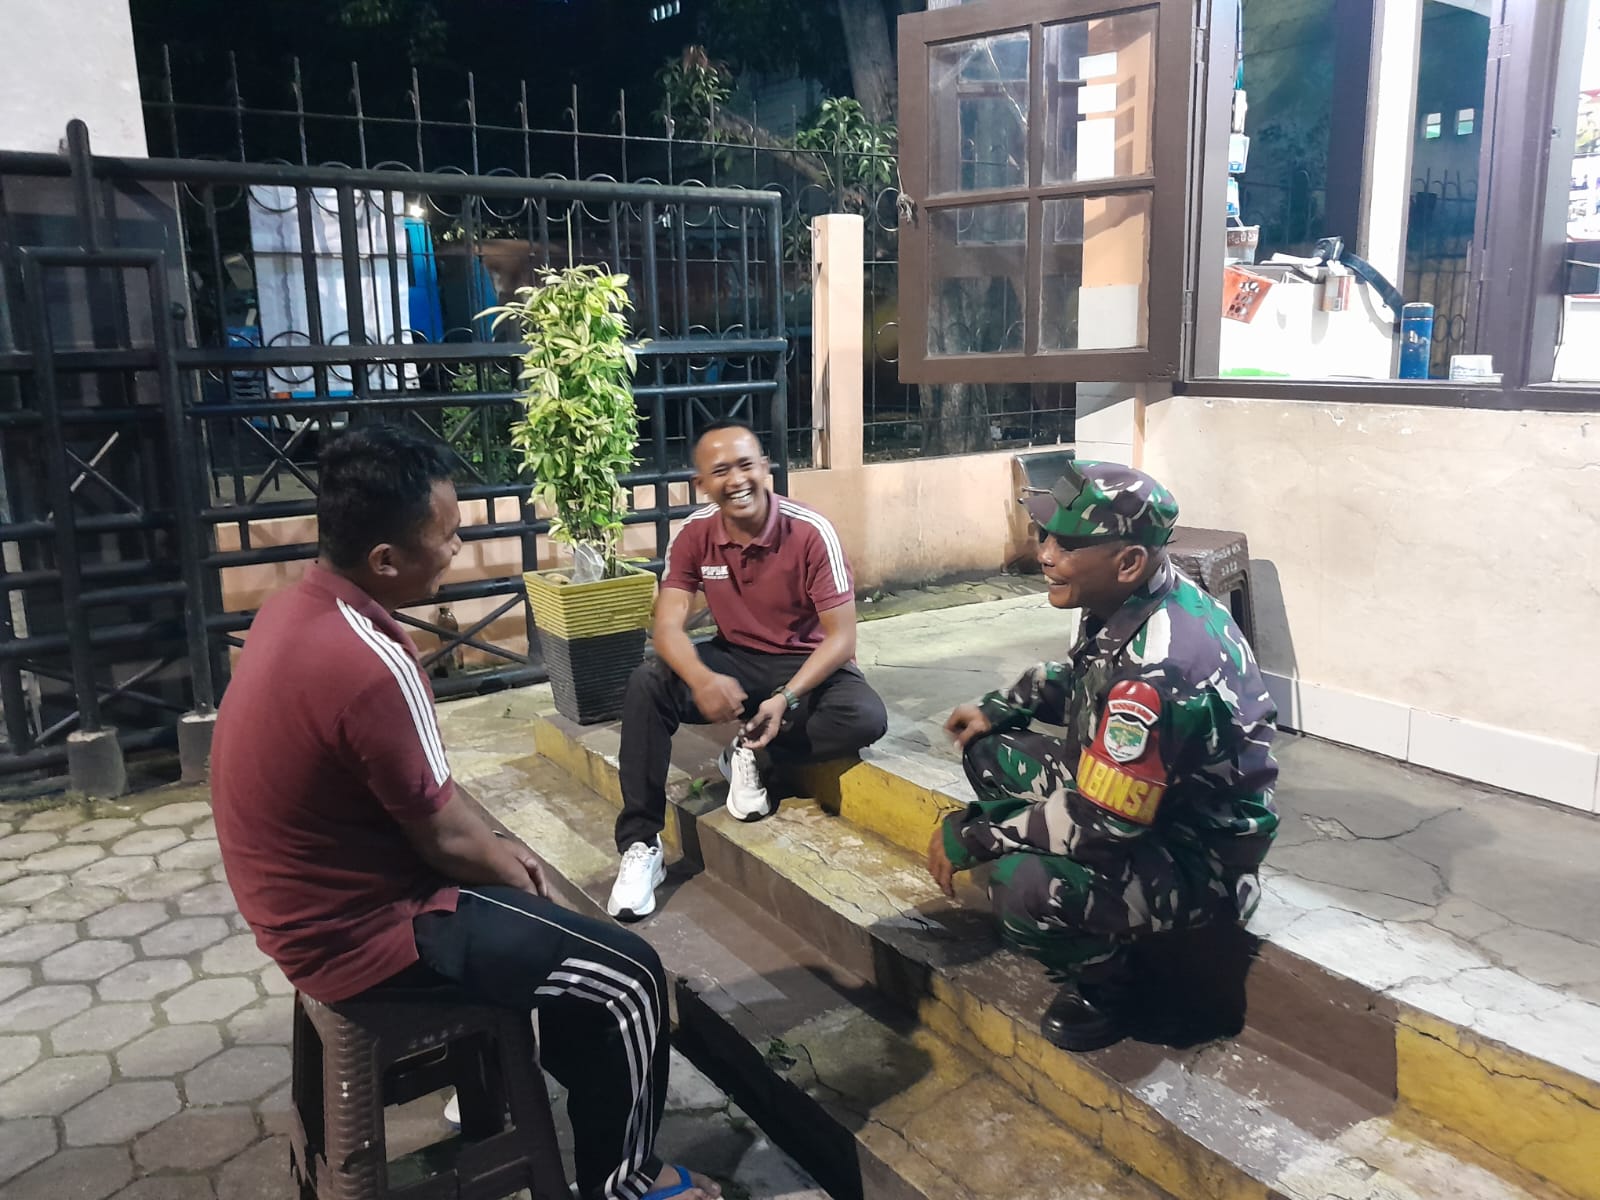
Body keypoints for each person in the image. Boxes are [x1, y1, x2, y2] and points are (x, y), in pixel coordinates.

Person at [211, 425, 720, 1200]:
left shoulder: (292, 609)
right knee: (630, 976)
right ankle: (624, 1183)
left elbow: (424, 808)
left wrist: (500, 864)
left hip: (305, 909)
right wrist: (514, 868)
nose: (459, 546)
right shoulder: (371, 660)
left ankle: (556, 1075)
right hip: (360, 933)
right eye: (446, 535)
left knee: (554, 929)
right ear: (386, 560)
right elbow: (447, 837)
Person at [927, 461, 1278, 1052]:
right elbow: (1087, 681)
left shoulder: (1162, 671)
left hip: (1195, 854)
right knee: (989, 753)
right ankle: (1098, 908)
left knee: (1023, 887)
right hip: (1144, 806)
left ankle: (1110, 984)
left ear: (1128, 560)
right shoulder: (1133, 598)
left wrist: (978, 834)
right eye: (1045, 536)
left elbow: (1105, 821)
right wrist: (1002, 704)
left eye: (1066, 546)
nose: (1044, 555)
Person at [608, 419, 889, 920]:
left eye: (745, 465)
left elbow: (841, 639)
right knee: (648, 682)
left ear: (766, 468)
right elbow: (667, 628)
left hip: (808, 663)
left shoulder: (810, 531)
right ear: (701, 484)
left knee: (864, 718)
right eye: (720, 471)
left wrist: (786, 698)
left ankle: (753, 752)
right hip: (736, 655)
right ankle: (641, 844)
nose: (736, 480)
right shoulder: (694, 534)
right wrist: (701, 678)